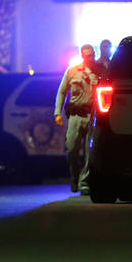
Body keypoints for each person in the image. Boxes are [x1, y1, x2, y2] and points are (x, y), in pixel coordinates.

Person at [55, 44, 99, 194]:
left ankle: (84, 182)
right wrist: (57, 112)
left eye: (92, 55)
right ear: (82, 56)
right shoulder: (72, 71)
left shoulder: (100, 71)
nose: (90, 58)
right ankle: (75, 177)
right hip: (76, 115)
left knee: (89, 151)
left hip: (92, 116)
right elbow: (62, 92)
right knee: (72, 148)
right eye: (87, 56)